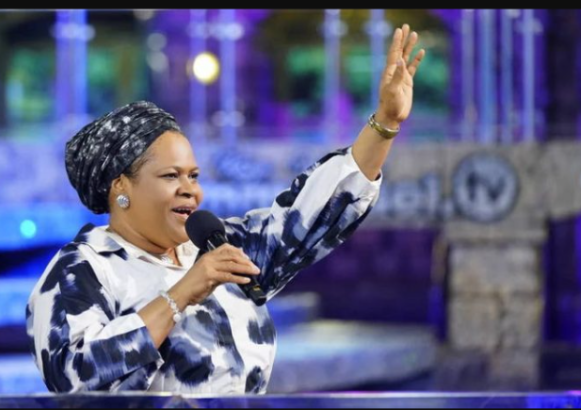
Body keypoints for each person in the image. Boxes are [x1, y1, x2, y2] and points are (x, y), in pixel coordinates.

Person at [26, 24, 425, 394]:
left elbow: (308, 215)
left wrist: (385, 123)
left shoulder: (220, 249)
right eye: (170, 176)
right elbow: (73, 375)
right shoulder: (82, 270)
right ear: (120, 187)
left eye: (194, 176)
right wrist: (181, 294)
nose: (190, 190)